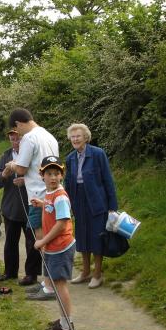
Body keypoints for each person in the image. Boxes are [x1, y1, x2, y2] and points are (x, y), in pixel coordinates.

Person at [5, 108, 58, 288]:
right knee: (50, 240)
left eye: (16, 130)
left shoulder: (29, 138)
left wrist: (12, 164)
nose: (18, 134)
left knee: (42, 243)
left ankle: (48, 286)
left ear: (18, 124)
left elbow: (20, 167)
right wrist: (25, 179)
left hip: (37, 198)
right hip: (52, 195)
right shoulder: (48, 135)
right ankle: (49, 283)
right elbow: (40, 167)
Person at [64, 123, 118, 289]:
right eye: (72, 137)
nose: (75, 139)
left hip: (96, 200)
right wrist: (67, 204)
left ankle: (97, 274)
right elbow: (68, 182)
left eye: (78, 136)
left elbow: (107, 180)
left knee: (97, 237)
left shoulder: (98, 154)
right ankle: (85, 271)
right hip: (78, 200)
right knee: (82, 236)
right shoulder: (70, 158)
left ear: (85, 137)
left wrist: (112, 206)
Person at [28, 156, 76, 330]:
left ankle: (66, 326)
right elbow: (51, 209)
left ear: (62, 175)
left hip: (61, 247)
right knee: (56, 285)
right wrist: (42, 204)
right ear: (42, 175)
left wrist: (43, 241)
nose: (53, 177)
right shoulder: (49, 194)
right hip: (54, 247)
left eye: (57, 173)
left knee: (60, 285)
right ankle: (64, 320)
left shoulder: (60, 196)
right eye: (49, 173)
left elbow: (62, 223)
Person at [0, 128, 40, 282]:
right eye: (12, 139)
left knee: (32, 242)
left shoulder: (33, 154)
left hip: (31, 205)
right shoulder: (6, 155)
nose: (15, 142)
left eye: (18, 139)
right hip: (10, 207)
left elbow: (44, 177)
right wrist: (4, 174)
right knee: (10, 241)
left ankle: (31, 274)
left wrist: (26, 181)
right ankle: (10, 272)